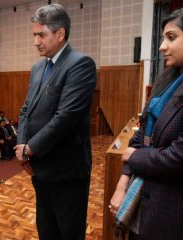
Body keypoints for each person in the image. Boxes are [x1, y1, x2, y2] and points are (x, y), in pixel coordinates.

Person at [14, 4, 96, 240]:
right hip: (40, 168)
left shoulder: (80, 64)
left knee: (68, 232)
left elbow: (65, 118)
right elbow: (26, 110)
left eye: (41, 35)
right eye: (34, 35)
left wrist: (30, 148)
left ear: (60, 34)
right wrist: (22, 146)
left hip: (67, 171)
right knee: (46, 230)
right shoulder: (38, 67)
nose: (36, 41)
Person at [110, 8, 183, 239]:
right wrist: (122, 185)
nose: (162, 46)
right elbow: (139, 136)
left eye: (171, 37)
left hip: (171, 213)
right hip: (142, 198)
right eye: (163, 38)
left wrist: (134, 157)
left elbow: (179, 157)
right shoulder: (166, 83)